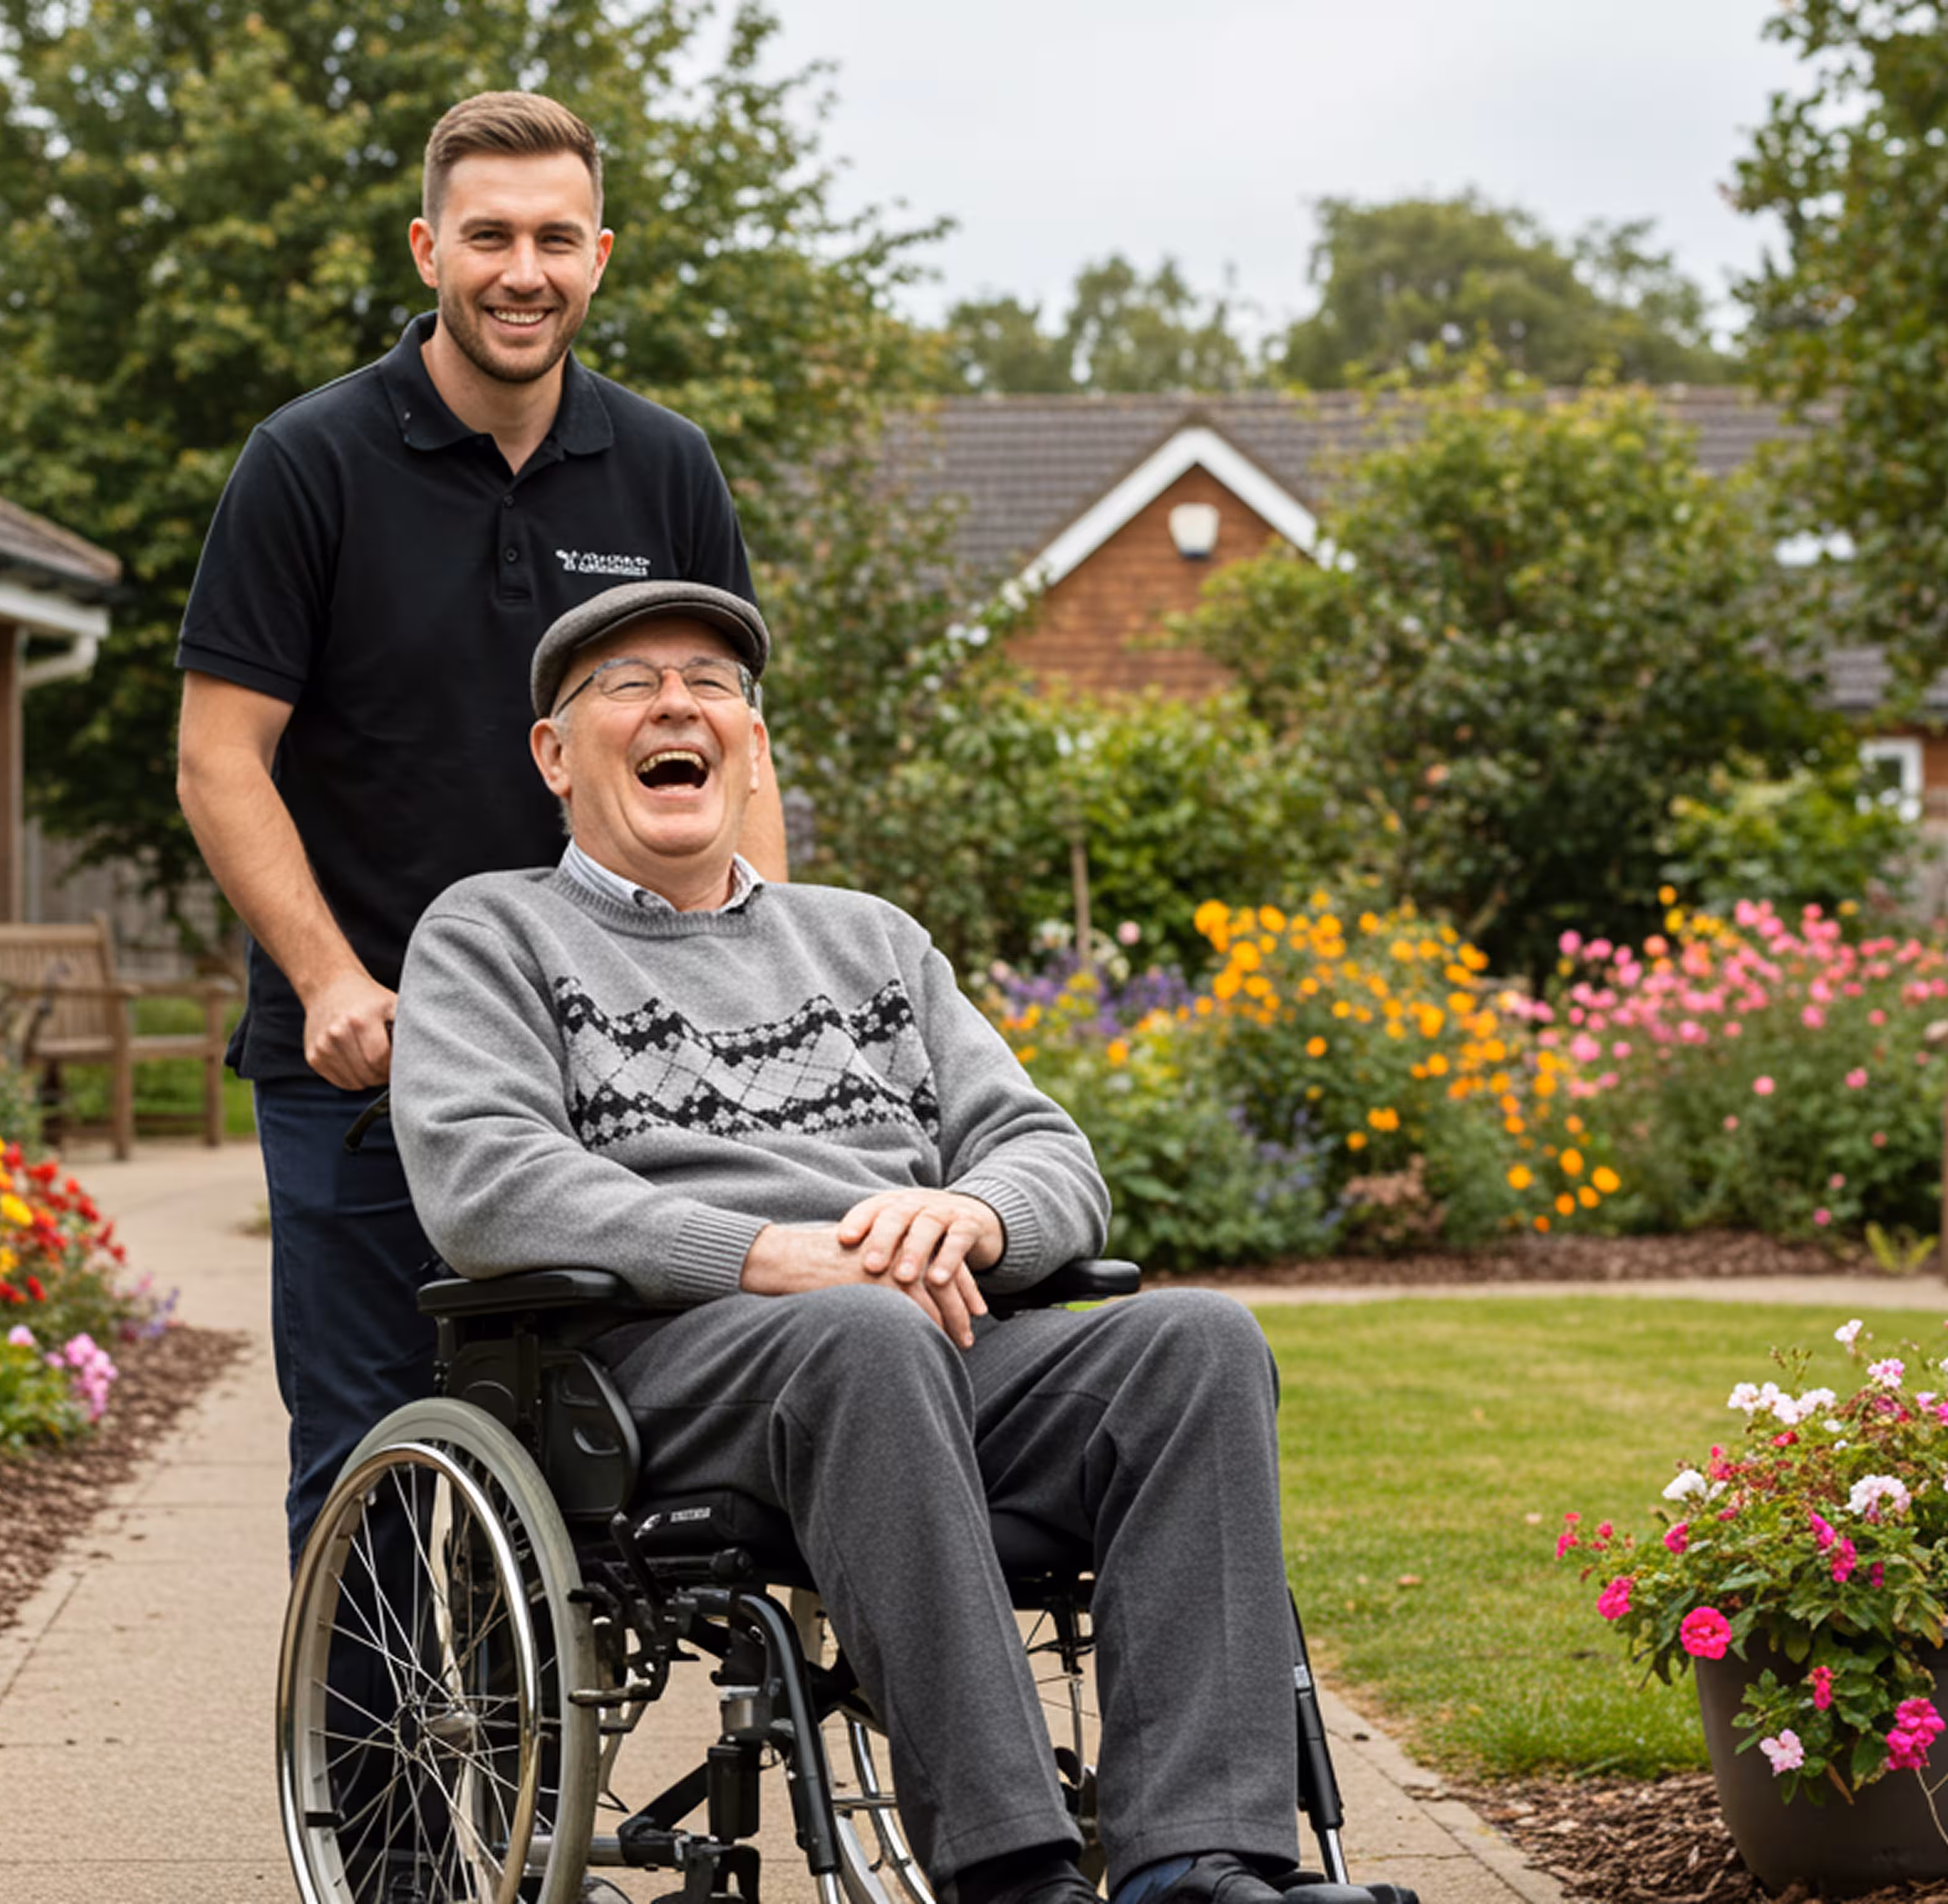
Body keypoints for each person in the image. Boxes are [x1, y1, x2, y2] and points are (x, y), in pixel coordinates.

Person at [389, 581, 1393, 1904]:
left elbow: (1047, 1153)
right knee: (862, 1334)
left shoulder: (870, 939)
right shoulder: (490, 931)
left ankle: (1199, 1863)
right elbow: (488, 1183)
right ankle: (1011, 1873)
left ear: (752, 749)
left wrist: (974, 1215)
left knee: (1195, 1343)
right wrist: (762, 1253)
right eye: (629, 684)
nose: (678, 706)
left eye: (711, 685)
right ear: (555, 755)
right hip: (658, 1373)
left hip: (920, 1347)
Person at [172, 90, 783, 1555]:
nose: (523, 272)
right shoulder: (307, 462)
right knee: (373, 1461)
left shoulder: (665, 468)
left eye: (555, 240)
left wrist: (767, 994)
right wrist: (327, 981)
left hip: (619, 1048)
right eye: (489, 236)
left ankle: (541, 1715)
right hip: (370, 1061)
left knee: (624, 1469)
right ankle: (376, 1724)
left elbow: (729, 744)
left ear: (599, 257)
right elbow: (218, 759)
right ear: (426, 248)